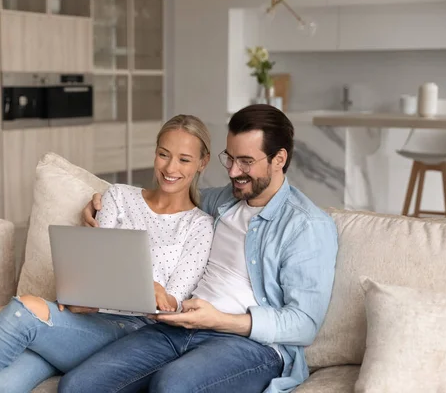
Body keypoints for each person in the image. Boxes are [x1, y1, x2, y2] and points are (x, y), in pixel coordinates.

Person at [65, 104, 338, 393]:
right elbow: (163, 197)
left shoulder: (306, 226)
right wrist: (100, 200)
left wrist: (220, 320)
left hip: (248, 345)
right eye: (229, 158)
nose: (233, 172)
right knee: (78, 385)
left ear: (279, 159)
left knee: (172, 386)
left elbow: (304, 324)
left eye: (245, 161)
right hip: (178, 327)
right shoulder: (220, 201)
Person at [0, 114, 215, 393]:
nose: (170, 167)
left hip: (135, 334)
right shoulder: (118, 196)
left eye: (184, 159)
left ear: (202, 163)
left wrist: (151, 289)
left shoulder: (199, 226)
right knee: (1, 386)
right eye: (163, 155)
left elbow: (173, 305)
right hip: (83, 318)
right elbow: (92, 264)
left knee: (23, 311)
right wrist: (80, 294)